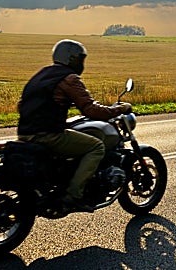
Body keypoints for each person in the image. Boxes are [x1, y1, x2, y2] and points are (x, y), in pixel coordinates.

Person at [17, 39, 131, 212]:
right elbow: (91, 110)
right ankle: (73, 195)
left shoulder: (42, 74)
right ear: (70, 59)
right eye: (80, 59)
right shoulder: (69, 78)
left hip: (25, 134)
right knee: (96, 147)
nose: (82, 64)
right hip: (48, 136)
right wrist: (119, 109)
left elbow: (22, 104)